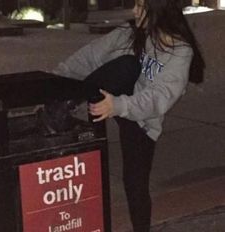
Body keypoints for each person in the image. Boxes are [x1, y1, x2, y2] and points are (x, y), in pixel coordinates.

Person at [53, 0, 204, 231]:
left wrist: (118, 106)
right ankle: (62, 107)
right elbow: (90, 56)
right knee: (127, 64)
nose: (134, 11)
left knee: (135, 184)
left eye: (141, 7)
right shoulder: (130, 32)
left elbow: (159, 97)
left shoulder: (180, 50)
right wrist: (54, 82)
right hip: (112, 97)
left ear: (158, 10)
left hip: (142, 119)